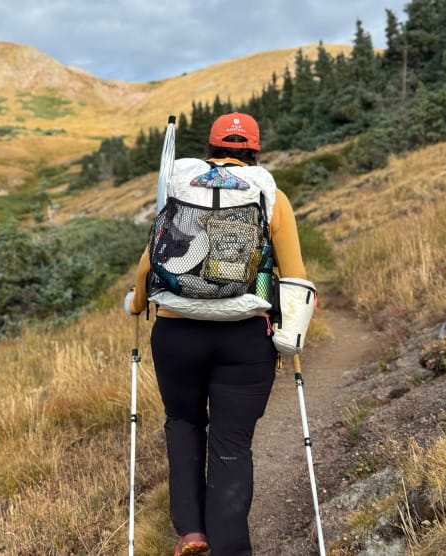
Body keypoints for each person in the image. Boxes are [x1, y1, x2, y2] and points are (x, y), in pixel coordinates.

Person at [124, 112, 307, 555]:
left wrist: (136, 304)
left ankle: (190, 532)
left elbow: (153, 259)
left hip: (176, 334)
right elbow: (295, 275)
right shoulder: (270, 195)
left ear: (211, 150)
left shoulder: (183, 188)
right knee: (231, 442)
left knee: (184, 424)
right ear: (254, 151)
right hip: (244, 337)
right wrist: (291, 332)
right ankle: (230, 546)